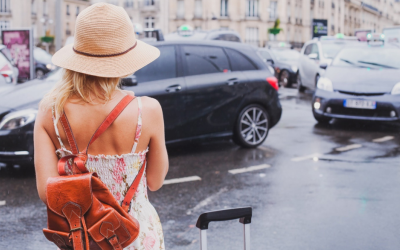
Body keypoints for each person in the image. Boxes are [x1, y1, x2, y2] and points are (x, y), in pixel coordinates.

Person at [33, 3, 168, 249]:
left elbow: (47, 193)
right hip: (135, 235)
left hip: (82, 238)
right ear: (126, 57)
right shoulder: (146, 110)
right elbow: (155, 181)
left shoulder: (50, 113)